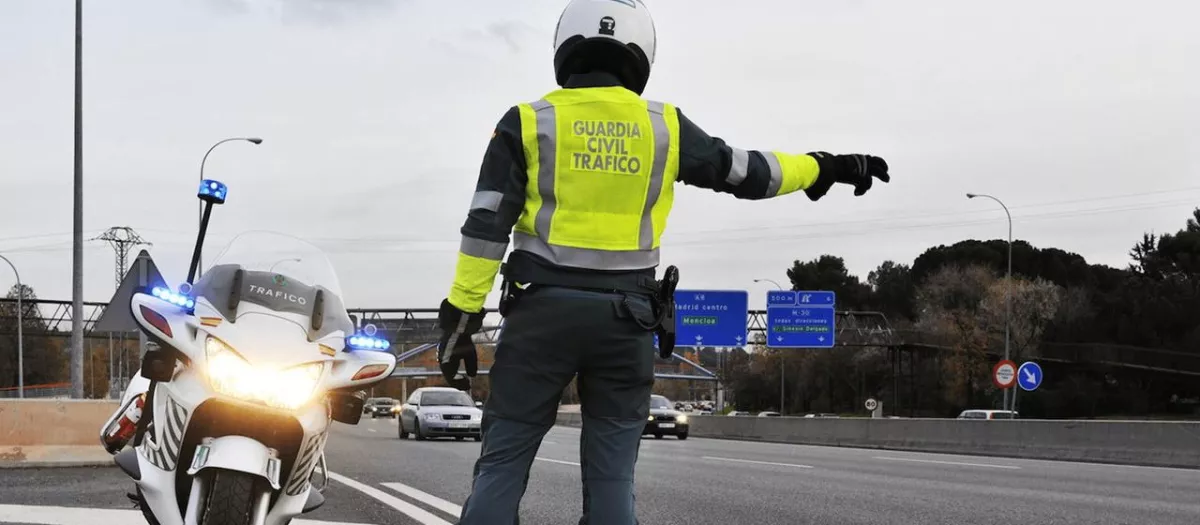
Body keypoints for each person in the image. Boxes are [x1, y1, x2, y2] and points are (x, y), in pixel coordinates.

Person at [434, 0, 891, 523]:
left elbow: (487, 225)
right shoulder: (664, 127)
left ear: (565, 48)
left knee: (503, 464)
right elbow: (746, 171)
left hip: (539, 317)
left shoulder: (528, 121)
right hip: (626, 322)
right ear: (640, 52)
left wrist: (462, 315)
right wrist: (823, 167)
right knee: (611, 478)